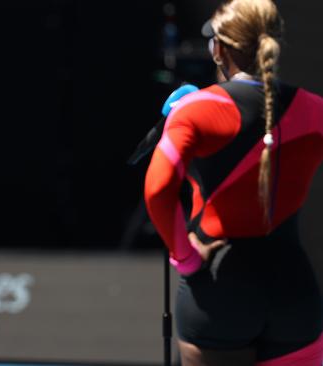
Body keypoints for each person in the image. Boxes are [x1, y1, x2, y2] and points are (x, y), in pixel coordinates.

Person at [144, 0, 323, 365]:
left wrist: (186, 257)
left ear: (218, 47)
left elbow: (157, 189)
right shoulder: (316, 110)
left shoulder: (195, 108)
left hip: (218, 290)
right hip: (294, 290)